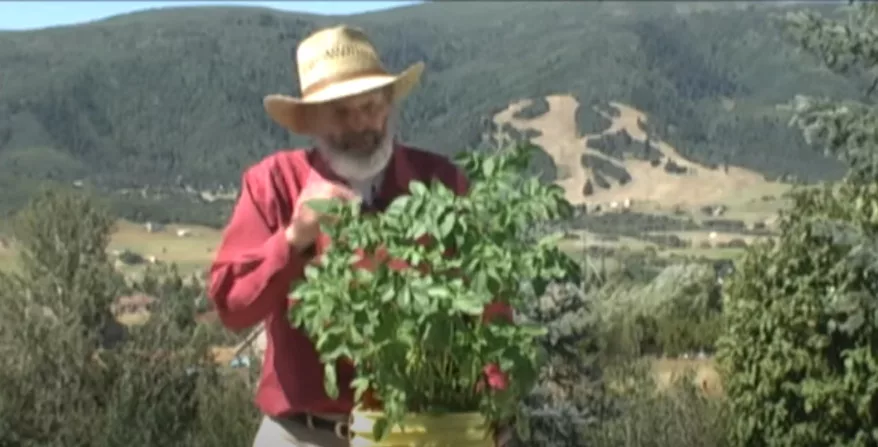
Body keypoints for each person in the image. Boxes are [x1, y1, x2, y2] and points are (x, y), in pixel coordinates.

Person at [208, 25, 513, 447]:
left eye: (369, 106)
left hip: (423, 433)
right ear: (309, 120)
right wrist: (295, 236)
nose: (358, 125)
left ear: (389, 105)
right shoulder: (272, 183)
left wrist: (497, 411)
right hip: (302, 433)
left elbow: (489, 308)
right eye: (338, 111)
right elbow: (232, 307)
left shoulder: (442, 183)